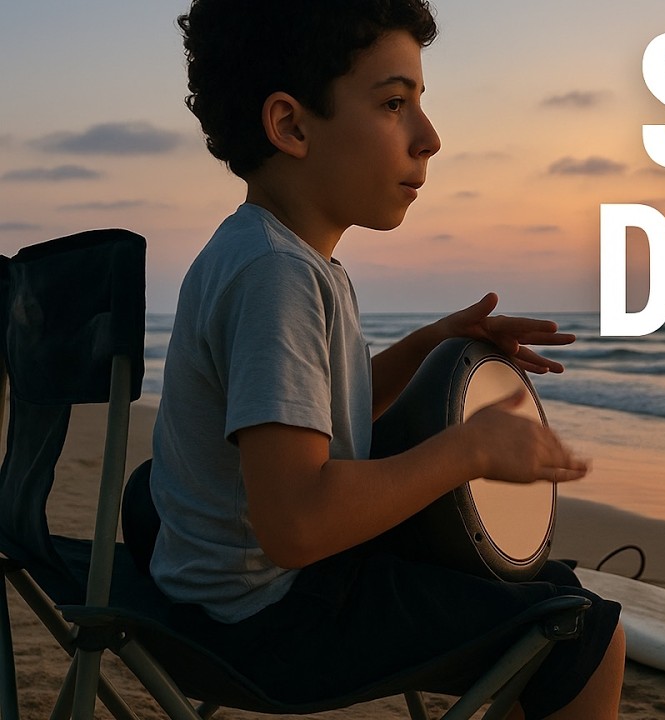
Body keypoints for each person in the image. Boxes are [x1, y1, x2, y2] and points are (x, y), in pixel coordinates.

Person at [145, 2, 624, 718]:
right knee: (583, 632)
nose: (429, 138)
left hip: (221, 592)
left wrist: (427, 343)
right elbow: (298, 525)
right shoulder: (276, 276)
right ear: (292, 126)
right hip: (267, 621)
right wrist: (470, 449)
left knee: (547, 593)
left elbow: (314, 420)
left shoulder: (271, 253)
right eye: (395, 104)